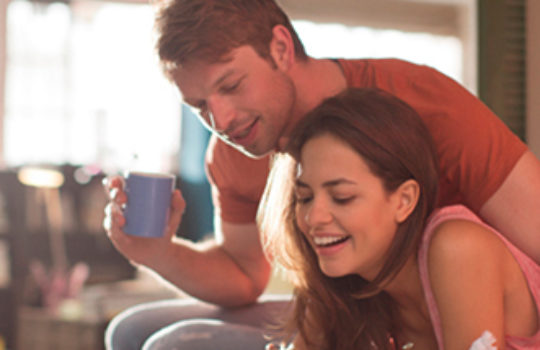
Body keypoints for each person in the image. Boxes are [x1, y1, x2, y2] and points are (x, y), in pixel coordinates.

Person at [103, 0, 540, 348]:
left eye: (231, 85)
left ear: (280, 47)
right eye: (199, 107)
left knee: (177, 344)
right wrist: (156, 252)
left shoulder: (427, 108)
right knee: (131, 329)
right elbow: (242, 274)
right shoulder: (237, 150)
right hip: (366, 310)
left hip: (456, 311)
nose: (220, 119)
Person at [259, 88, 540, 350]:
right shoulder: (342, 287)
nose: (313, 217)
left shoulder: (458, 247)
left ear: (404, 201)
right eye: (304, 198)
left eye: (342, 197)